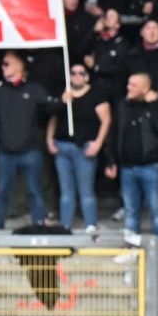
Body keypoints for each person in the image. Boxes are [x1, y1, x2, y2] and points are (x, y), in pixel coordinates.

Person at [0, 51, 51, 229]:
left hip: (30, 151)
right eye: (3, 64)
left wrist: (64, 101)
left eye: (7, 63)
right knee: (2, 192)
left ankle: (39, 226)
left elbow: (50, 108)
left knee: (35, 191)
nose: (3, 67)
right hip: (6, 152)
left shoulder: (34, 89)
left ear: (20, 65)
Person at [109, 70, 158, 243]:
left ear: (145, 88)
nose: (128, 87)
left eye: (133, 85)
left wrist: (153, 105)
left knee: (156, 211)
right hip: (127, 167)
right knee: (130, 211)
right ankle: (132, 247)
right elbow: (114, 133)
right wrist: (111, 159)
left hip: (151, 167)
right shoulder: (123, 105)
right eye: (128, 84)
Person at [48, 63, 112, 232]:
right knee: (66, 191)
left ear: (86, 76)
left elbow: (106, 120)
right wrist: (49, 140)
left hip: (84, 147)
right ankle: (65, 225)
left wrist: (98, 143)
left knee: (86, 190)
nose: (77, 76)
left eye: (81, 73)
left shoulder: (96, 94)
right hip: (62, 146)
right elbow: (54, 118)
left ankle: (90, 224)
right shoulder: (63, 94)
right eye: (73, 73)